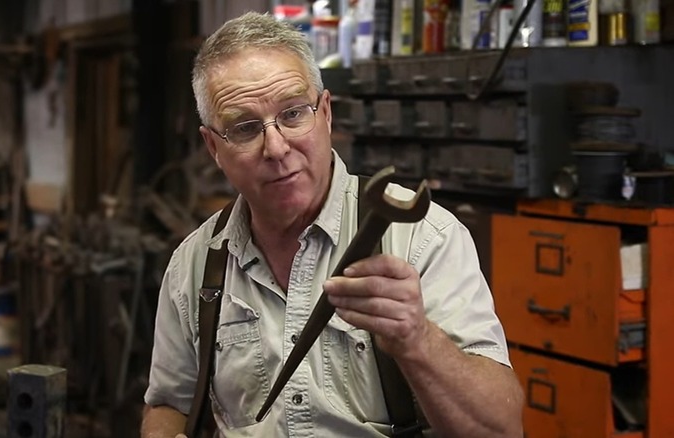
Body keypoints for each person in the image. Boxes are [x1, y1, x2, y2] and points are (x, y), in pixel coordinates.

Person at [141, 11, 523, 438]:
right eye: (245, 128)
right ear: (213, 145)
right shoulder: (192, 266)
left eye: (292, 113)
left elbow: (501, 430)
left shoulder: (424, 238)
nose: (276, 146)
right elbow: (169, 404)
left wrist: (418, 340)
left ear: (325, 113)